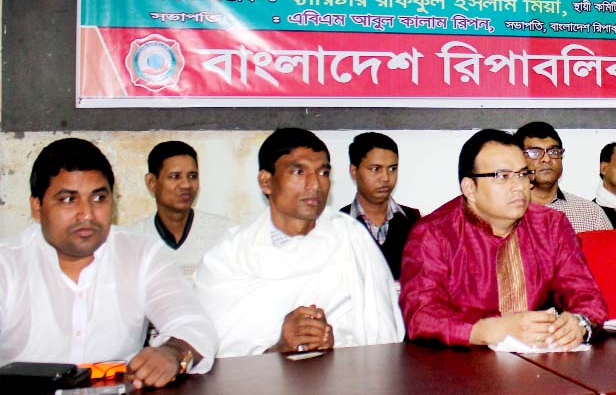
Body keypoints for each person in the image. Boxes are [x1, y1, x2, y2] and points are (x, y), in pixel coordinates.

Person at [0, 138, 216, 389]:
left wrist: (174, 352)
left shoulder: (141, 254)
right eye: (69, 200)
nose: (87, 214)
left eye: (99, 198)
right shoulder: (7, 264)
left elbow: (194, 324)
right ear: (37, 207)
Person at [194, 128, 404, 357]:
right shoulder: (230, 259)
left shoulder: (352, 239)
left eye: (323, 173)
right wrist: (279, 348)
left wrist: (334, 342)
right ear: (266, 181)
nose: (314, 184)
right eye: (298, 172)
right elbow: (211, 351)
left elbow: (384, 340)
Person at [400, 129, 607, 348]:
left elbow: (587, 295)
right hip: (459, 368)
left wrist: (579, 324)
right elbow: (420, 314)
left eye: (523, 174)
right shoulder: (434, 233)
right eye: (502, 176)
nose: (519, 186)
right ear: (470, 188)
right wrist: (486, 329)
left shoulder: (550, 226)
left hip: (537, 365)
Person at [125, 141, 236, 276]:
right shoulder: (132, 240)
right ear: (151, 182)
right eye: (175, 176)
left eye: (192, 176)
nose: (186, 185)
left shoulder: (225, 234)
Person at [340, 132, 420, 280]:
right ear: (353, 171)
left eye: (392, 169)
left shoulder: (415, 222)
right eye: (375, 169)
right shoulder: (336, 226)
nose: (385, 178)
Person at [513, 121, 613, 232]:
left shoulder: (592, 214)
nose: (546, 159)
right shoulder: (504, 212)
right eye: (535, 153)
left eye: (554, 152)